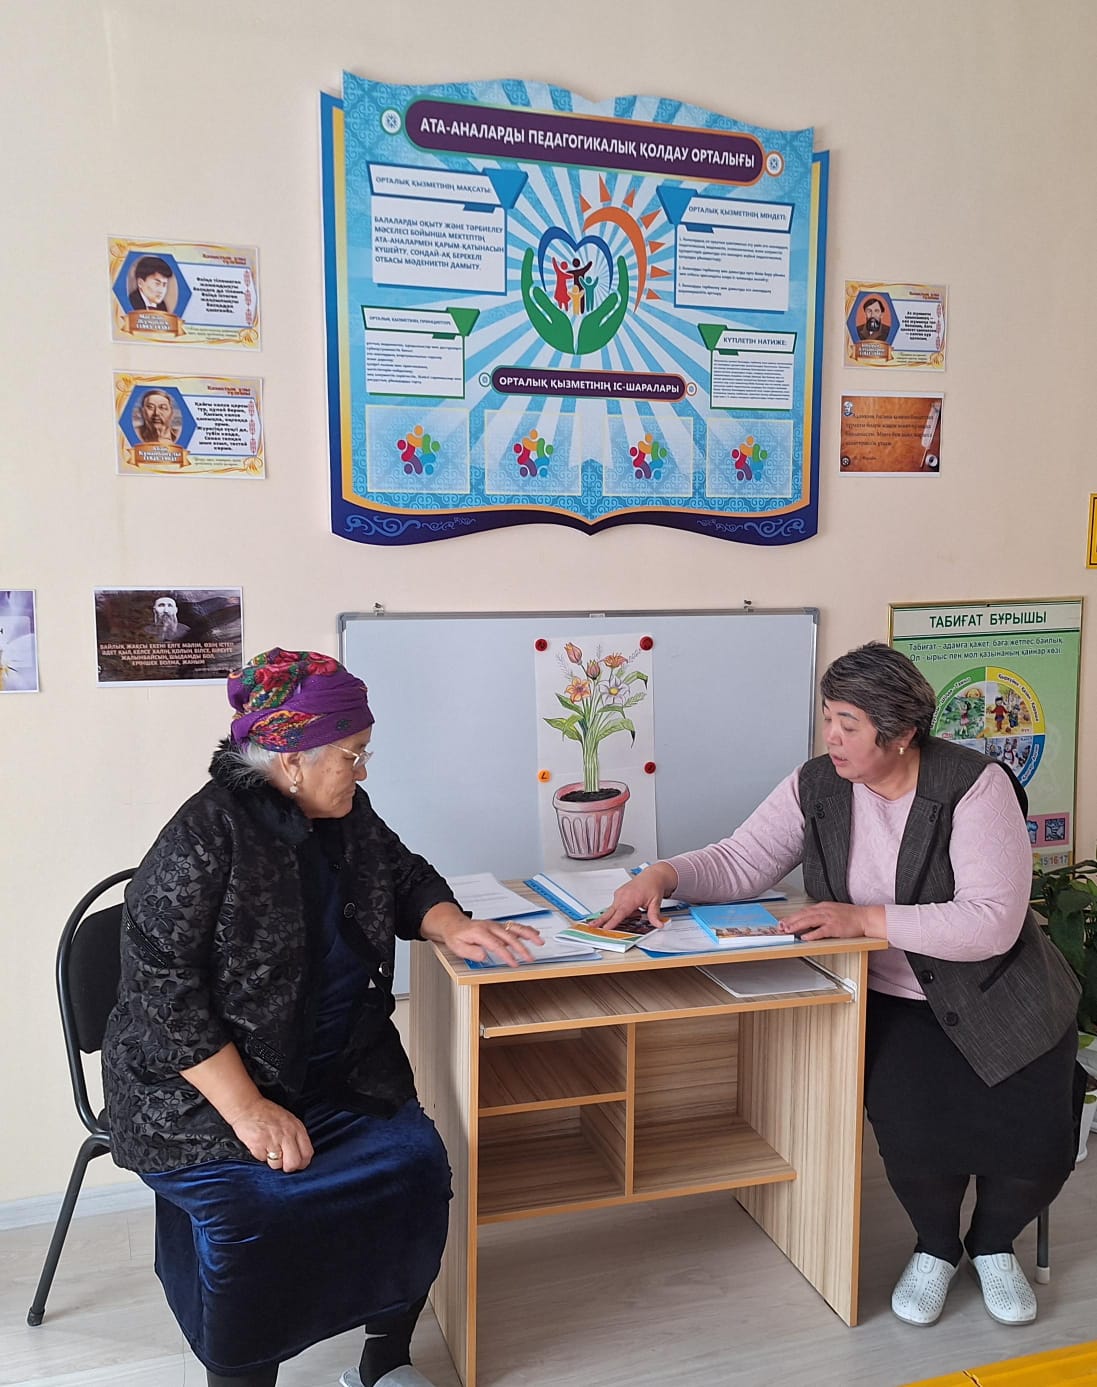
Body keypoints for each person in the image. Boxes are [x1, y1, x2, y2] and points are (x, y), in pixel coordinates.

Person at [598, 642, 1082, 1329]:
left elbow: (990, 922)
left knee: (1035, 1149)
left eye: (848, 723)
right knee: (915, 1144)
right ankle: (937, 1247)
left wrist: (865, 918)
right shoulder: (818, 784)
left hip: (1000, 993)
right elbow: (742, 859)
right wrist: (662, 875)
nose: (831, 736)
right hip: (894, 998)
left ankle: (993, 1244)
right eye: (828, 716)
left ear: (901, 731)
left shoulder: (973, 786)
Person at [102, 648, 542, 1387]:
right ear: (291, 761)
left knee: (415, 1171)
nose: (362, 771)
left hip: (338, 1067)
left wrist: (450, 923)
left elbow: (403, 873)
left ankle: (383, 1365)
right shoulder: (202, 838)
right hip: (200, 1096)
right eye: (352, 754)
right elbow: (160, 996)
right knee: (254, 1217)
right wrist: (248, 1109)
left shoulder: (346, 814)